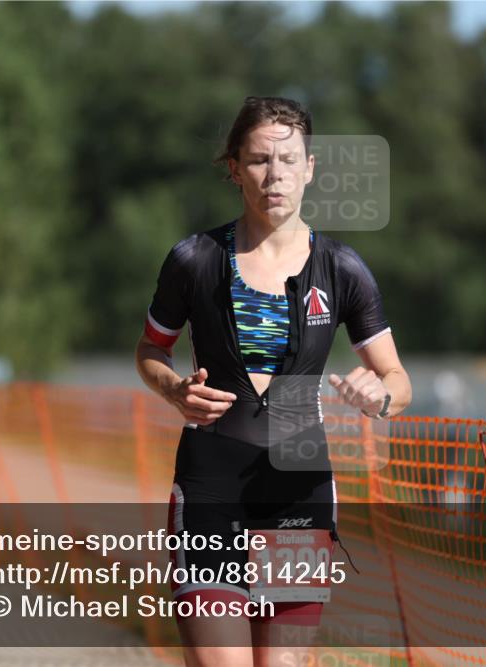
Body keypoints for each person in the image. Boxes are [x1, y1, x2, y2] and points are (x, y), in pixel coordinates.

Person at [135, 96, 411, 667]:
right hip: (211, 486)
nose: (275, 175)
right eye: (259, 160)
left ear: (310, 168)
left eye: (289, 160)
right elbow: (149, 350)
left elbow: (397, 379)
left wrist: (379, 396)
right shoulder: (194, 259)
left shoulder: (342, 268)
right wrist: (172, 389)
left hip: (298, 491)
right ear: (235, 168)